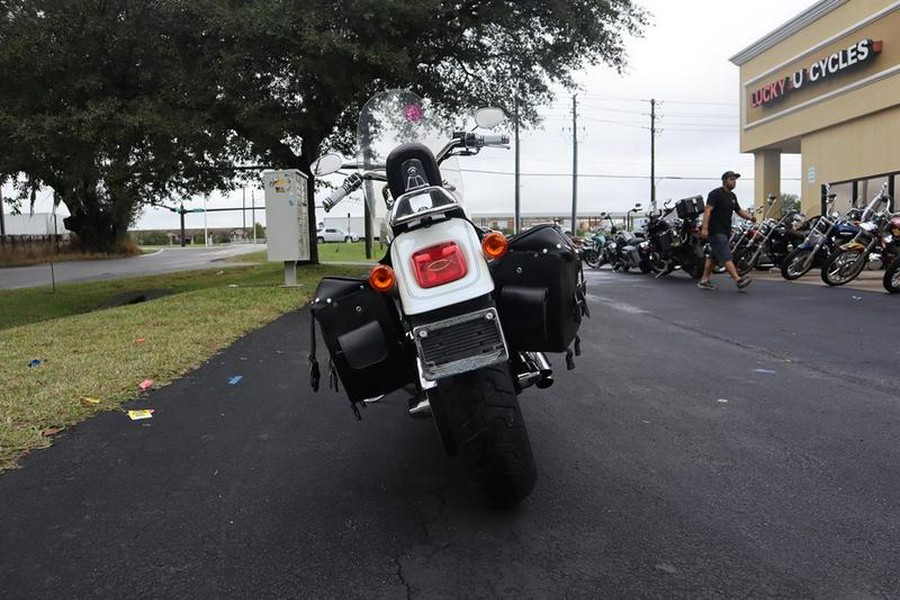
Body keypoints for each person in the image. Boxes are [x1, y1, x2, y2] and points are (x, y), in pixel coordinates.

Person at [698, 171, 756, 291]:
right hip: (715, 230)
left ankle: (704, 280)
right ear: (724, 181)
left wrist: (750, 217)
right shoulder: (715, 194)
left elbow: (738, 210)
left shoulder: (732, 196)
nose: (734, 182)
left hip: (725, 230)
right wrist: (704, 228)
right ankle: (738, 280)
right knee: (726, 255)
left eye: (735, 179)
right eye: (731, 179)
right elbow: (708, 210)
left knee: (713, 257)